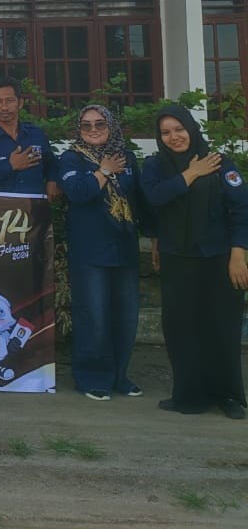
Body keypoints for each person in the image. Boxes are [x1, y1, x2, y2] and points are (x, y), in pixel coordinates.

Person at [140, 105, 248, 418]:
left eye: (179, 129)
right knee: (182, 328)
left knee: (222, 326)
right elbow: (154, 197)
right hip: (177, 258)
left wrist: (238, 253)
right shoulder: (155, 166)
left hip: (220, 257)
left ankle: (229, 396)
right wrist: (191, 173)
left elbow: (241, 208)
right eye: (165, 132)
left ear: (191, 128)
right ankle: (189, 396)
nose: (174, 137)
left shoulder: (220, 163)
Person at [58, 105, 142, 401]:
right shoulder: (71, 158)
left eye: (99, 124)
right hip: (90, 250)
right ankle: (92, 378)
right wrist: (104, 171)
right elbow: (77, 192)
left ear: (111, 126)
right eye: (86, 125)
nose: (93, 130)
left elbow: (139, 199)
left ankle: (120, 376)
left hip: (124, 248)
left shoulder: (127, 157)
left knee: (125, 317)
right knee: (94, 316)